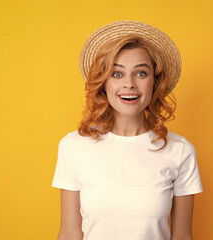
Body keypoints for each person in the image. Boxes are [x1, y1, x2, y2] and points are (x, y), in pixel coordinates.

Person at [52, 20, 203, 240]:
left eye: (141, 73)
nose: (129, 84)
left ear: (155, 82)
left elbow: (182, 236)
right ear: (104, 83)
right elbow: (68, 233)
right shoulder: (73, 146)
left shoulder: (180, 151)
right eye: (117, 74)